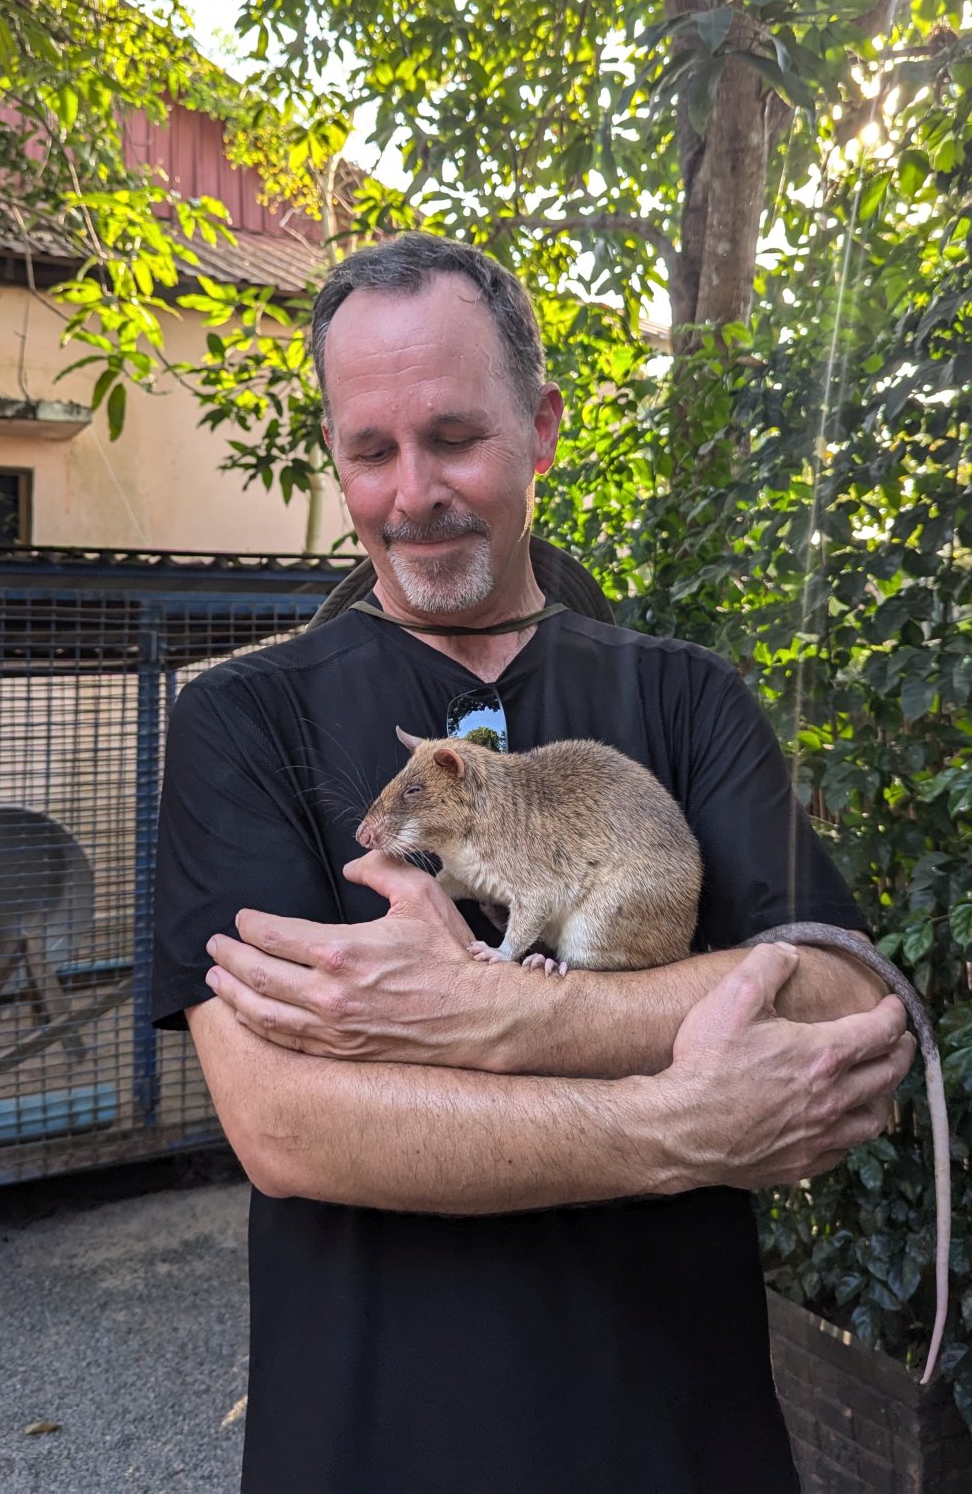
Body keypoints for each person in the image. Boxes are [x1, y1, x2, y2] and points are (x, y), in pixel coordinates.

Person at [151, 233, 915, 1494]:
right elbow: (286, 1123)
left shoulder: (682, 695)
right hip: (370, 1442)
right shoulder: (244, 720)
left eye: (453, 438)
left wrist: (486, 1023)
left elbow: (840, 999)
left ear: (544, 429)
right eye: (369, 451)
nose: (411, 495)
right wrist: (672, 1121)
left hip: (677, 1432)